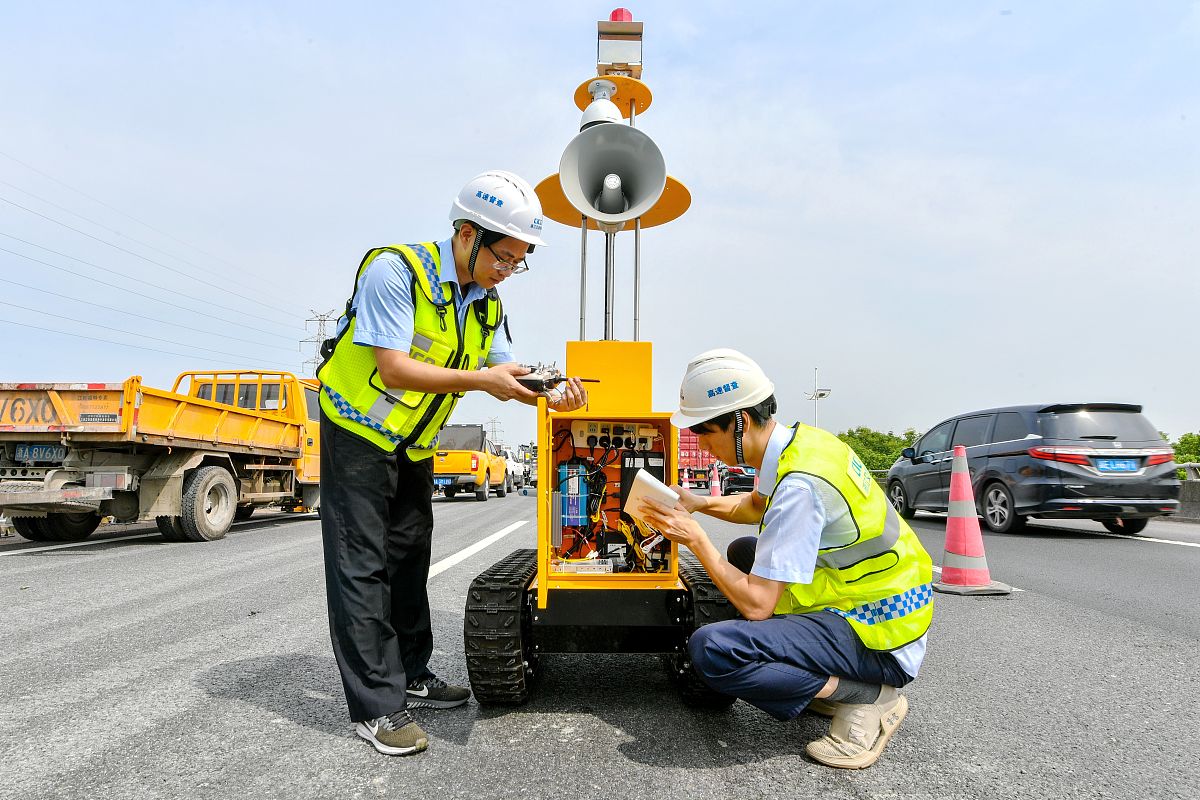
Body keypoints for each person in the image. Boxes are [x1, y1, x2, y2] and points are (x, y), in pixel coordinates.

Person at [316, 170, 587, 757]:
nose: (508, 270)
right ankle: (378, 707)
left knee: (410, 558)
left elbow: (505, 370)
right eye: (504, 256)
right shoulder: (395, 271)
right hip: (358, 434)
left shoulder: (487, 303)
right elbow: (392, 368)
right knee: (361, 567)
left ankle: (412, 671)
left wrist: (552, 388)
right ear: (467, 234)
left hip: (412, 445)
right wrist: (483, 381)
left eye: (520, 262)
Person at [637, 349, 932, 769]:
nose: (701, 443)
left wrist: (696, 540)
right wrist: (698, 503)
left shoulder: (799, 487)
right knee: (742, 552)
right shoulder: (803, 444)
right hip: (878, 594)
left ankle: (869, 696)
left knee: (714, 649)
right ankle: (829, 682)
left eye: (704, 432)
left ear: (738, 421)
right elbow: (756, 506)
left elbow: (758, 607)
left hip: (881, 629)